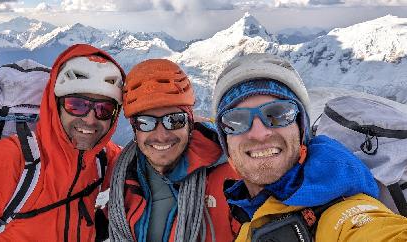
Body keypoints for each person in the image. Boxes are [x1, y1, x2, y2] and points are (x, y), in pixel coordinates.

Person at [212, 53, 407, 241]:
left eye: (279, 113)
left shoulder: (342, 210)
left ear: (301, 130)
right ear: (225, 142)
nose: (259, 133)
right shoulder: (251, 211)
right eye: (235, 120)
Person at [0, 44, 125, 241]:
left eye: (104, 109)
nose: (90, 119)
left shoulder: (101, 158)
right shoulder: (7, 162)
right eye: (77, 105)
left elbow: (144, 168)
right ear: (55, 105)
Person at [109, 59, 239, 242]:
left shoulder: (233, 180)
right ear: (134, 129)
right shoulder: (126, 176)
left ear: (190, 122)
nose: (161, 136)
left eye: (174, 120)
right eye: (146, 123)